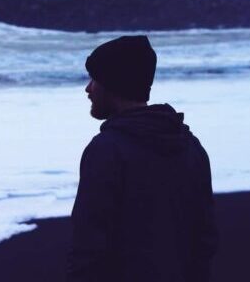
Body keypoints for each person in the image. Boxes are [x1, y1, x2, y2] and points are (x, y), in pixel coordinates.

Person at [66, 36, 218, 282]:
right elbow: (205, 239)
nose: (88, 89)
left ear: (112, 85)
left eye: (94, 79)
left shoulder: (106, 150)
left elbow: (89, 246)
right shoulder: (190, 146)